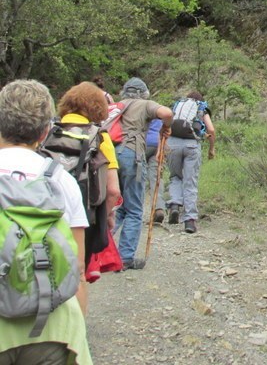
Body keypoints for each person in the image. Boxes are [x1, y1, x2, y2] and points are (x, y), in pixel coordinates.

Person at [0, 79, 93, 364]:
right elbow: (77, 268)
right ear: (44, 132)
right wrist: (78, 332)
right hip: (54, 325)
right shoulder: (61, 180)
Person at [53, 82, 122, 281]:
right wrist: (106, 218)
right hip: (84, 219)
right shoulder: (100, 138)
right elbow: (113, 191)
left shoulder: (48, 133)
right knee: (77, 274)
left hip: (49, 215)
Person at [113, 77, 173, 270]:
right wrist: (167, 126)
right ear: (143, 92)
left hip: (110, 154)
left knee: (117, 207)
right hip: (132, 154)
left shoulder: (117, 105)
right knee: (135, 208)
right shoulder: (144, 104)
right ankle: (125, 258)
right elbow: (166, 112)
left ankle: (98, 250)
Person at [165, 91, 215, 234]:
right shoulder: (201, 108)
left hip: (173, 144)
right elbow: (210, 129)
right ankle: (190, 221)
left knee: (175, 176)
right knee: (190, 181)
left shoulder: (177, 106)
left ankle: (174, 205)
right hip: (192, 145)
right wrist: (212, 149)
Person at [144, 118, 166, 223]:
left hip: (143, 143)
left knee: (139, 177)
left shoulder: (141, 110)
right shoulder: (159, 113)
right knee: (156, 178)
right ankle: (159, 208)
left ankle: (135, 209)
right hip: (157, 144)